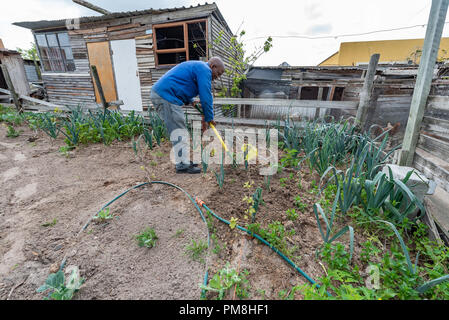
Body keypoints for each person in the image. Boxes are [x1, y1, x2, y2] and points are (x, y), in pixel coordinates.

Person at [150, 57, 225, 174]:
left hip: (166, 95)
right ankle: (182, 165)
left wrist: (190, 99)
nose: (217, 76)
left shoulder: (198, 67)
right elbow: (206, 96)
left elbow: (183, 83)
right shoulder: (204, 69)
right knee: (179, 130)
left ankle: (183, 161)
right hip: (165, 96)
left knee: (180, 130)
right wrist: (209, 117)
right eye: (218, 73)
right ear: (212, 67)